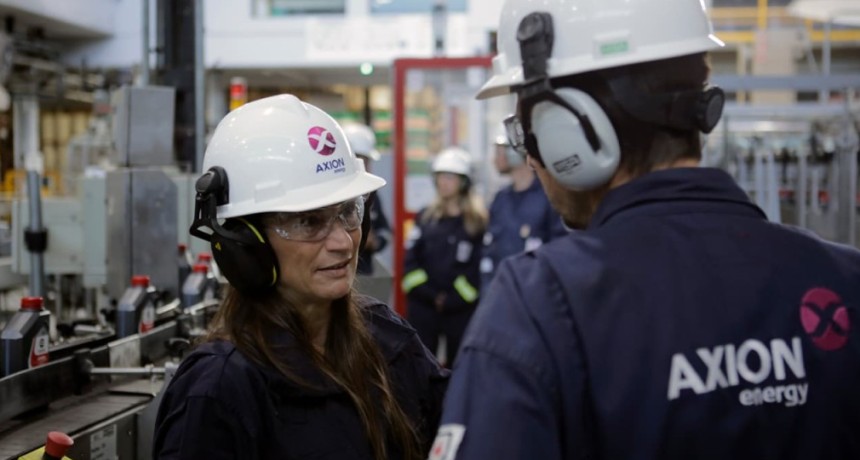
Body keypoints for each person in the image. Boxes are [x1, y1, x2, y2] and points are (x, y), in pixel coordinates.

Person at [431, 1, 860, 459]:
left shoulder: (540, 304)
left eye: (527, 129)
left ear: (566, 131)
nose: (530, 156)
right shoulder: (845, 280)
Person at [153, 94, 448, 460]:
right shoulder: (221, 389)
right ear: (245, 243)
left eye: (347, 212)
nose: (343, 242)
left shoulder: (388, 338)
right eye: (309, 221)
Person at [402, 147, 487, 367]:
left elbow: (478, 270)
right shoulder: (425, 217)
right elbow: (410, 262)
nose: (443, 182)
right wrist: (432, 296)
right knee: (419, 367)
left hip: (459, 311)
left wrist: (452, 300)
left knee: (459, 369)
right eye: (439, 176)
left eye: (449, 177)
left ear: (464, 182)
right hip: (424, 307)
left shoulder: (476, 224)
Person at [480, 123, 567, 287]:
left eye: (500, 151)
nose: (494, 159)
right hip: (502, 291)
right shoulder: (500, 199)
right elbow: (490, 249)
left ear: (515, 152)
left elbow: (559, 247)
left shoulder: (548, 197)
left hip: (536, 291)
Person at [342, 122, 392, 276]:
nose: (365, 166)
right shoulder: (332, 199)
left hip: (364, 272)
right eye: (359, 160)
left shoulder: (371, 194)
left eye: (367, 161)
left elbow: (386, 231)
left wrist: (375, 242)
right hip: (341, 271)